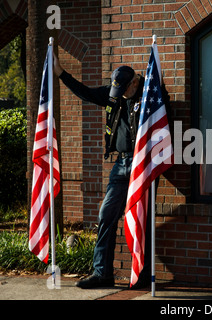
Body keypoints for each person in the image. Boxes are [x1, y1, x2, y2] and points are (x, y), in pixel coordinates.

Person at [53, 54, 168, 289]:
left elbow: (161, 117)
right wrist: (61, 73)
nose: (121, 95)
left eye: (125, 90)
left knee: (141, 220)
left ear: (135, 83)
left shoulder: (151, 96)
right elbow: (87, 92)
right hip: (121, 164)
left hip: (143, 166)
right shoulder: (115, 95)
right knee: (106, 215)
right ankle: (102, 273)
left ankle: (142, 276)